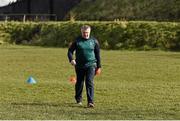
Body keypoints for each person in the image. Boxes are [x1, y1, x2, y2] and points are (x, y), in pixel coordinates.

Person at [67, 25, 101, 108]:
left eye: (87, 33)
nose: (85, 34)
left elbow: (98, 54)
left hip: (91, 64)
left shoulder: (94, 41)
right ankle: (78, 99)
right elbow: (70, 51)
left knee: (89, 82)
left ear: (89, 32)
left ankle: (90, 102)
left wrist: (99, 67)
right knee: (80, 82)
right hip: (79, 65)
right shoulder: (77, 41)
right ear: (81, 32)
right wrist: (71, 59)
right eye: (84, 33)